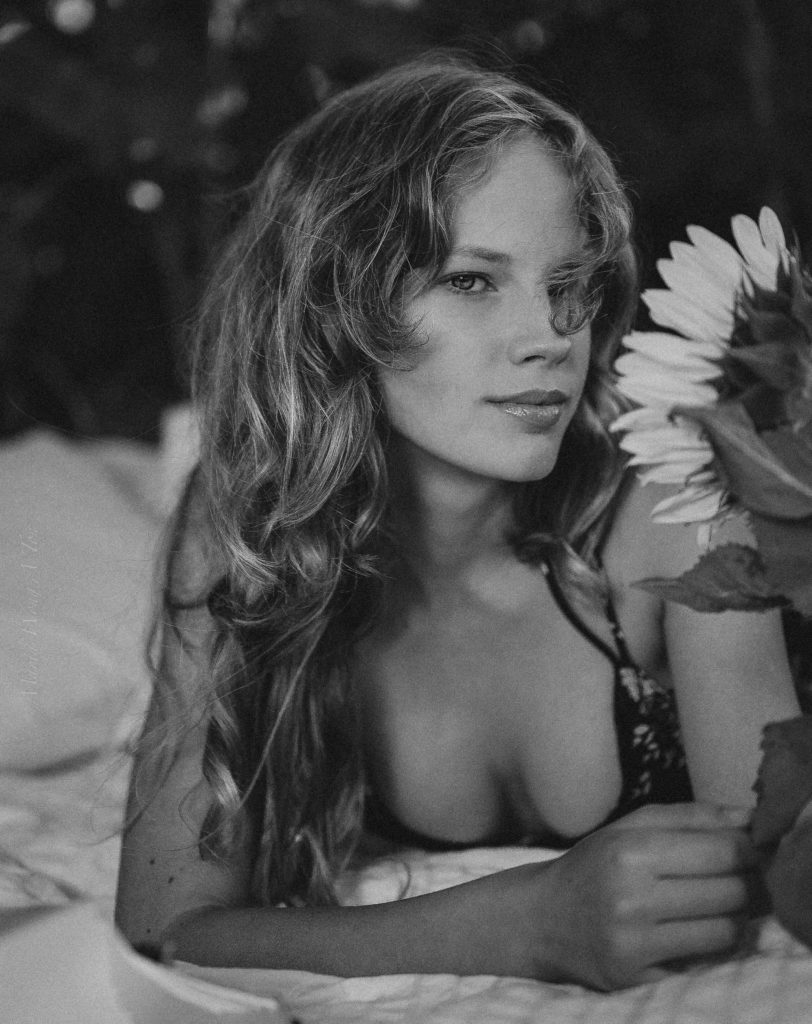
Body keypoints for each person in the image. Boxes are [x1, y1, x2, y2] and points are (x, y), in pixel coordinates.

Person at [115, 53, 800, 991]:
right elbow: (162, 932)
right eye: (473, 280)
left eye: (569, 281)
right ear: (334, 305)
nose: (550, 336)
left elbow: (784, 880)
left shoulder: (678, 508)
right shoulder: (248, 530)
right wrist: (515, 925)